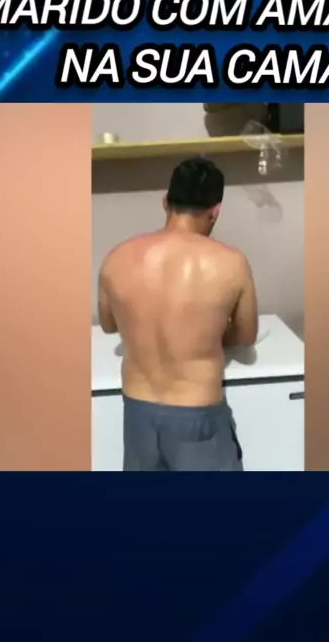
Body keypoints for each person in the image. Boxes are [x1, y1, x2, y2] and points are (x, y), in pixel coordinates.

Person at [97, 157, 258, 471]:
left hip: (138, 415)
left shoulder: (116, 257)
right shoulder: (231, 263)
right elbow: (246, 334)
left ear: (165, 202)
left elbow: (108, 324)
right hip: (197, 417)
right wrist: (206, 331)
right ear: (215, 211)